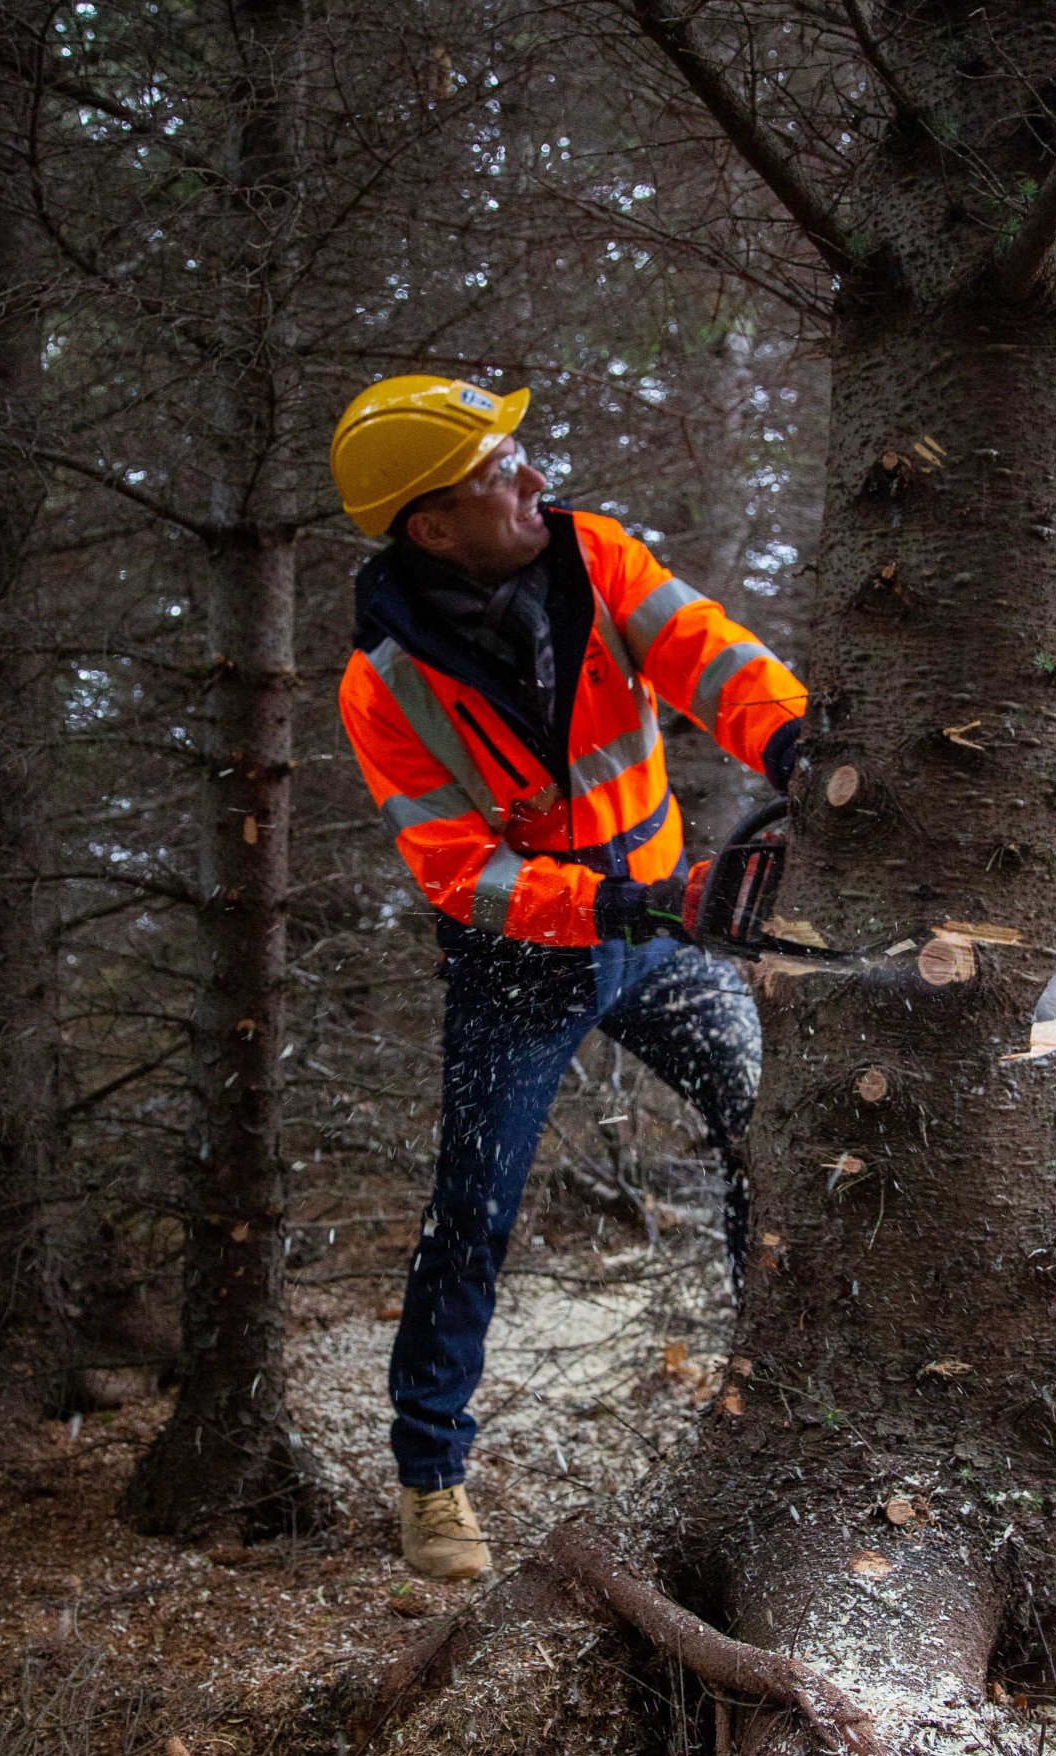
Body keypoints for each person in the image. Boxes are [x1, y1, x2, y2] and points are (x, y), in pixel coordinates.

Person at [331, 374, 806, 1580]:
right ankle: (431, 1476)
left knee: (765, 1117)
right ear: (433, 525)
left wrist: (797, 742)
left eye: (521, 453)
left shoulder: (593, 556)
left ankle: (783, 1392)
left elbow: (709, 655)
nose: (533, 476)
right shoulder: (383, 684)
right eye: (500, 470)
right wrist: (622, 900)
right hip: (519, 961)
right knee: (474, 1208)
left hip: (654, 938)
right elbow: (458, 870)